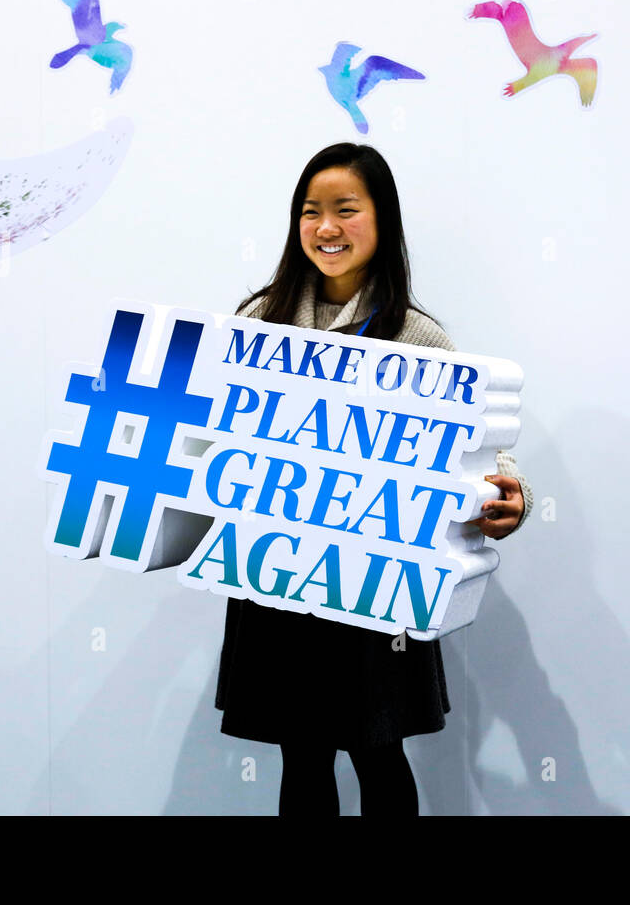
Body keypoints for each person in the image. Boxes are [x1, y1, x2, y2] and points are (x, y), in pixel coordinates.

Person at [214, 142, 533, 815]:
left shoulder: (418, 338)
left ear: (381, 220)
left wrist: (513, 495)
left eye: (345, 210)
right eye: (310, 211)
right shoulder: (254, 322)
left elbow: (478, 448)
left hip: (375, 585)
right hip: (277, 579)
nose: (326, 228)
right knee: (301, 755)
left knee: (377, 749)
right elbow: (212, 429)